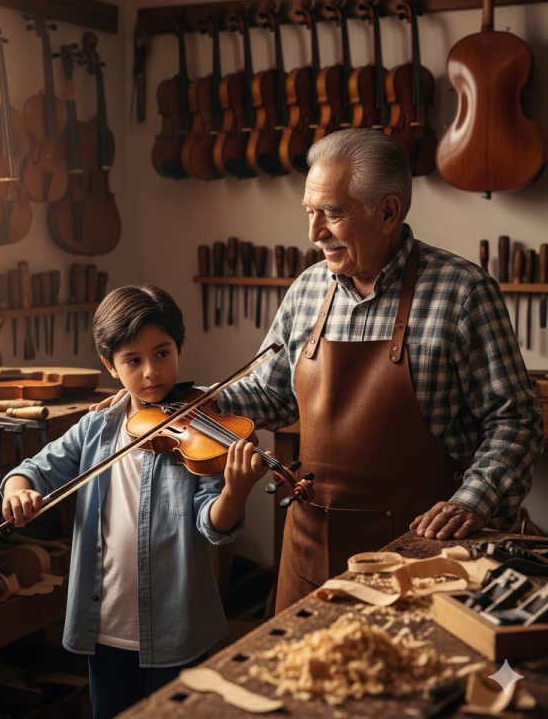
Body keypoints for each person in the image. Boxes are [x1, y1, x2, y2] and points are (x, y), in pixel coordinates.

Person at [213, 128, 546, 610]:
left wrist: (471, 500)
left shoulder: (463, 291)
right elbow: (272, 394)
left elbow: (515, 421)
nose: (314, 233)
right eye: (310, 212)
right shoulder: (308, 289)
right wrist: (192, 398)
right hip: (308, 551)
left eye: (332, 213)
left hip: (420, 558)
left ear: (388, 211)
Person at [0, 284, 266, 719]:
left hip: (179, 625)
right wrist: (19, 490)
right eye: (133, 360)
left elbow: (213, 525)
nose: (151, 373)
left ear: (181, 349)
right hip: (103, 627)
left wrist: (236, 490)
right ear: (110, 366)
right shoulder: (97, 427)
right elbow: (34, 469)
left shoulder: (202, 429)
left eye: (162, 354)